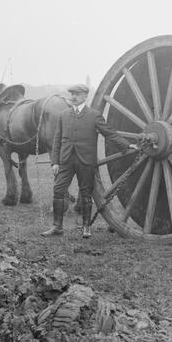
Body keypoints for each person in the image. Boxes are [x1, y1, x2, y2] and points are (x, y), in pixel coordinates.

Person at [42, 83, 137, 239]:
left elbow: (110, 134)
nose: (73, 97)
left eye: (77, 94)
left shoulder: (94, 115)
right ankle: (57, 227)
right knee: (58, 191)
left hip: (85, 161)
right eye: (72, 94)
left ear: (85, 96)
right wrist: (55, 162)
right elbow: (57, 140)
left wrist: (127, 145)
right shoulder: (63, 115)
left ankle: (86, 227)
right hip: (66, 160)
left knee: (86, 194)